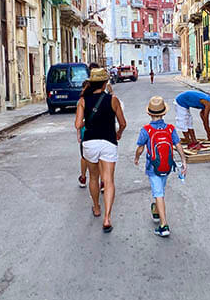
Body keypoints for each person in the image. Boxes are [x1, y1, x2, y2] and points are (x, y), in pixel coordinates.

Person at [75, 68, 126, 232]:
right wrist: (118, 133)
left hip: (90, 143)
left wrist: (86, 122)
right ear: (105, 83)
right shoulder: (113, 99)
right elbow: (123, 123)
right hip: (108, 142)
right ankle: (107, 218)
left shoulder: (83, 100)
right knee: (109, 180)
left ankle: (96, 207)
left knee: (93, 177)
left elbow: (77, 125)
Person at [134, 96, 188, 237]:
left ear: (150, 113)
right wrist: (183, 161)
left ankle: (164, 226)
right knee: (160, 190)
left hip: (153, 167)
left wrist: (136, 157)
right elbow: (177, 145)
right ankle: (156, 211)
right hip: (167, 166)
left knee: (159, 194)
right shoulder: (170, 129)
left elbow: (140, 148)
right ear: (164, 113)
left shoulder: (146, 130)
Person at [78, 63, 112, 188]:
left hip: (88, 134)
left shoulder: (83, 98)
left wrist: (80, 130)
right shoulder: (109, 96)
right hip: (106, 134)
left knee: (86, 160)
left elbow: (78, 123)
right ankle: (103, 182)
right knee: (103, 160)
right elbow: (120, 121)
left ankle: (83, 178)